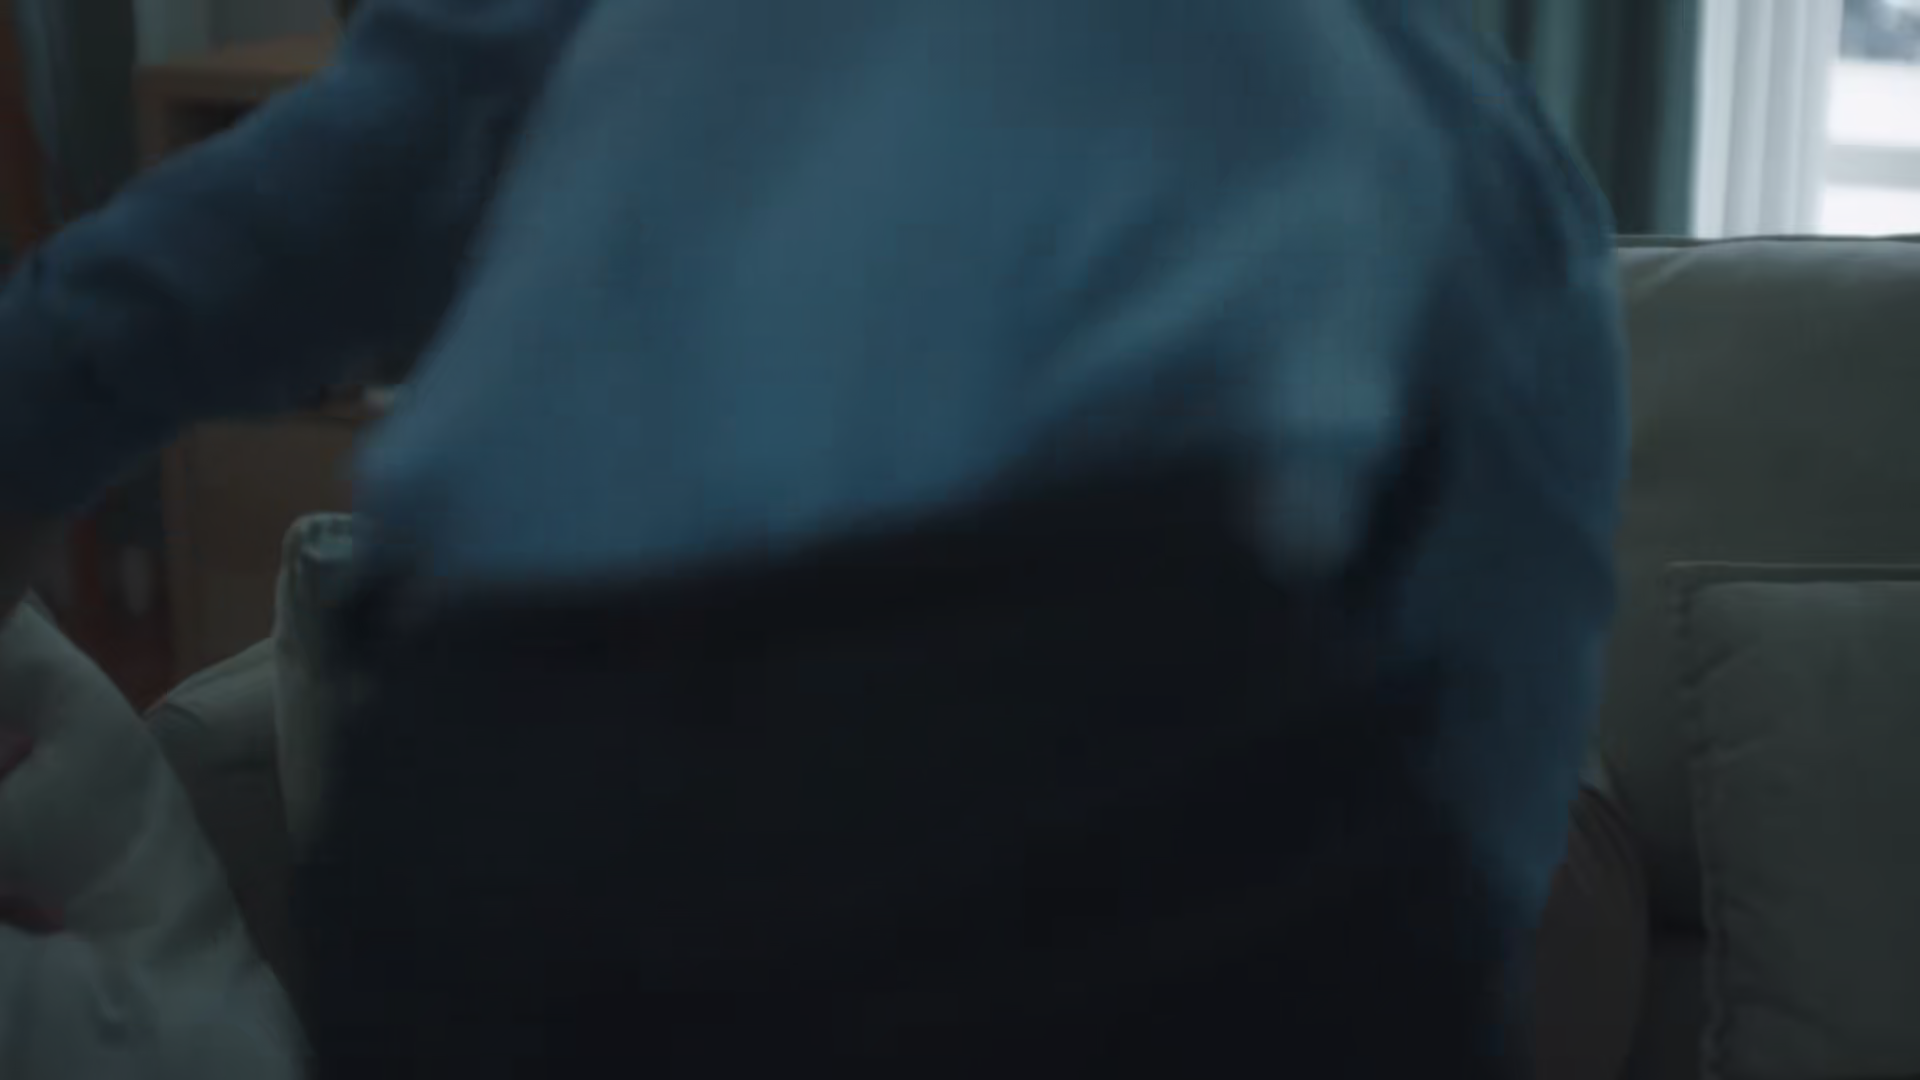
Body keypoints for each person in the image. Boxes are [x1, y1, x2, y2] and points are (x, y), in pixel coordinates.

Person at [0, 0, 1628, 1074]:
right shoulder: (1451, 119)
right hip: (1098, 779)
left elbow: (192, 279)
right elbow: (1491, 730)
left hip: (512, 781)